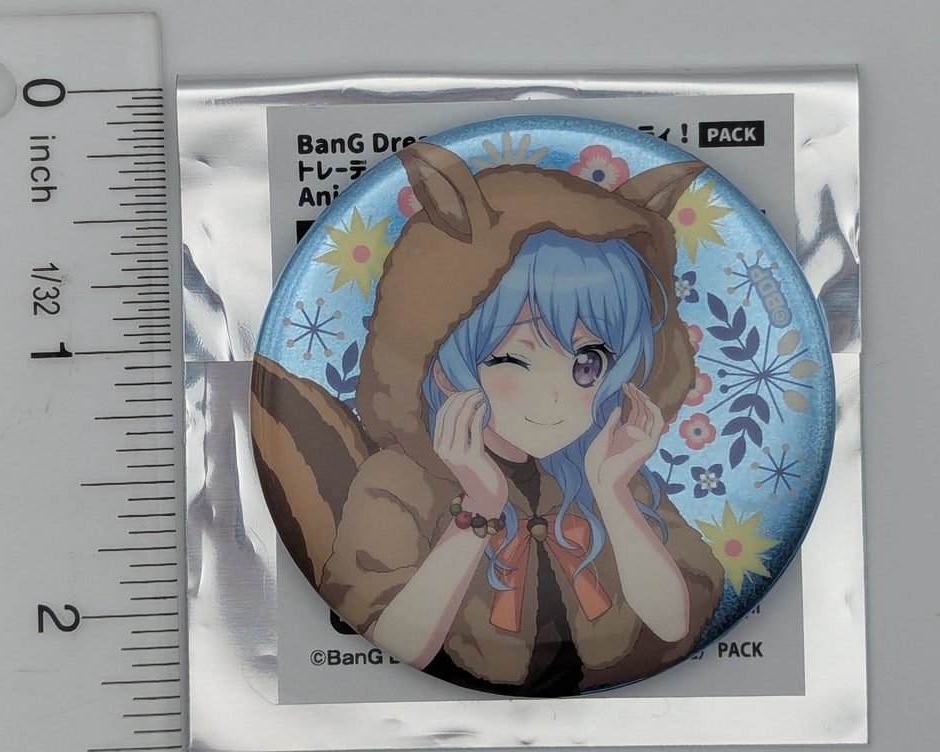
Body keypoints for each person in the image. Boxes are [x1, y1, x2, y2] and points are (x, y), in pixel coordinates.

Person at [252, 140, 725, 697]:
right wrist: (478, 506)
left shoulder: (611, 471)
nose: (555, 399)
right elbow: (393, 640)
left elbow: (676, 625)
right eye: (511, 360)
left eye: (587, 362)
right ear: (440, 364)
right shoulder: (401, 482)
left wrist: (612, 493)